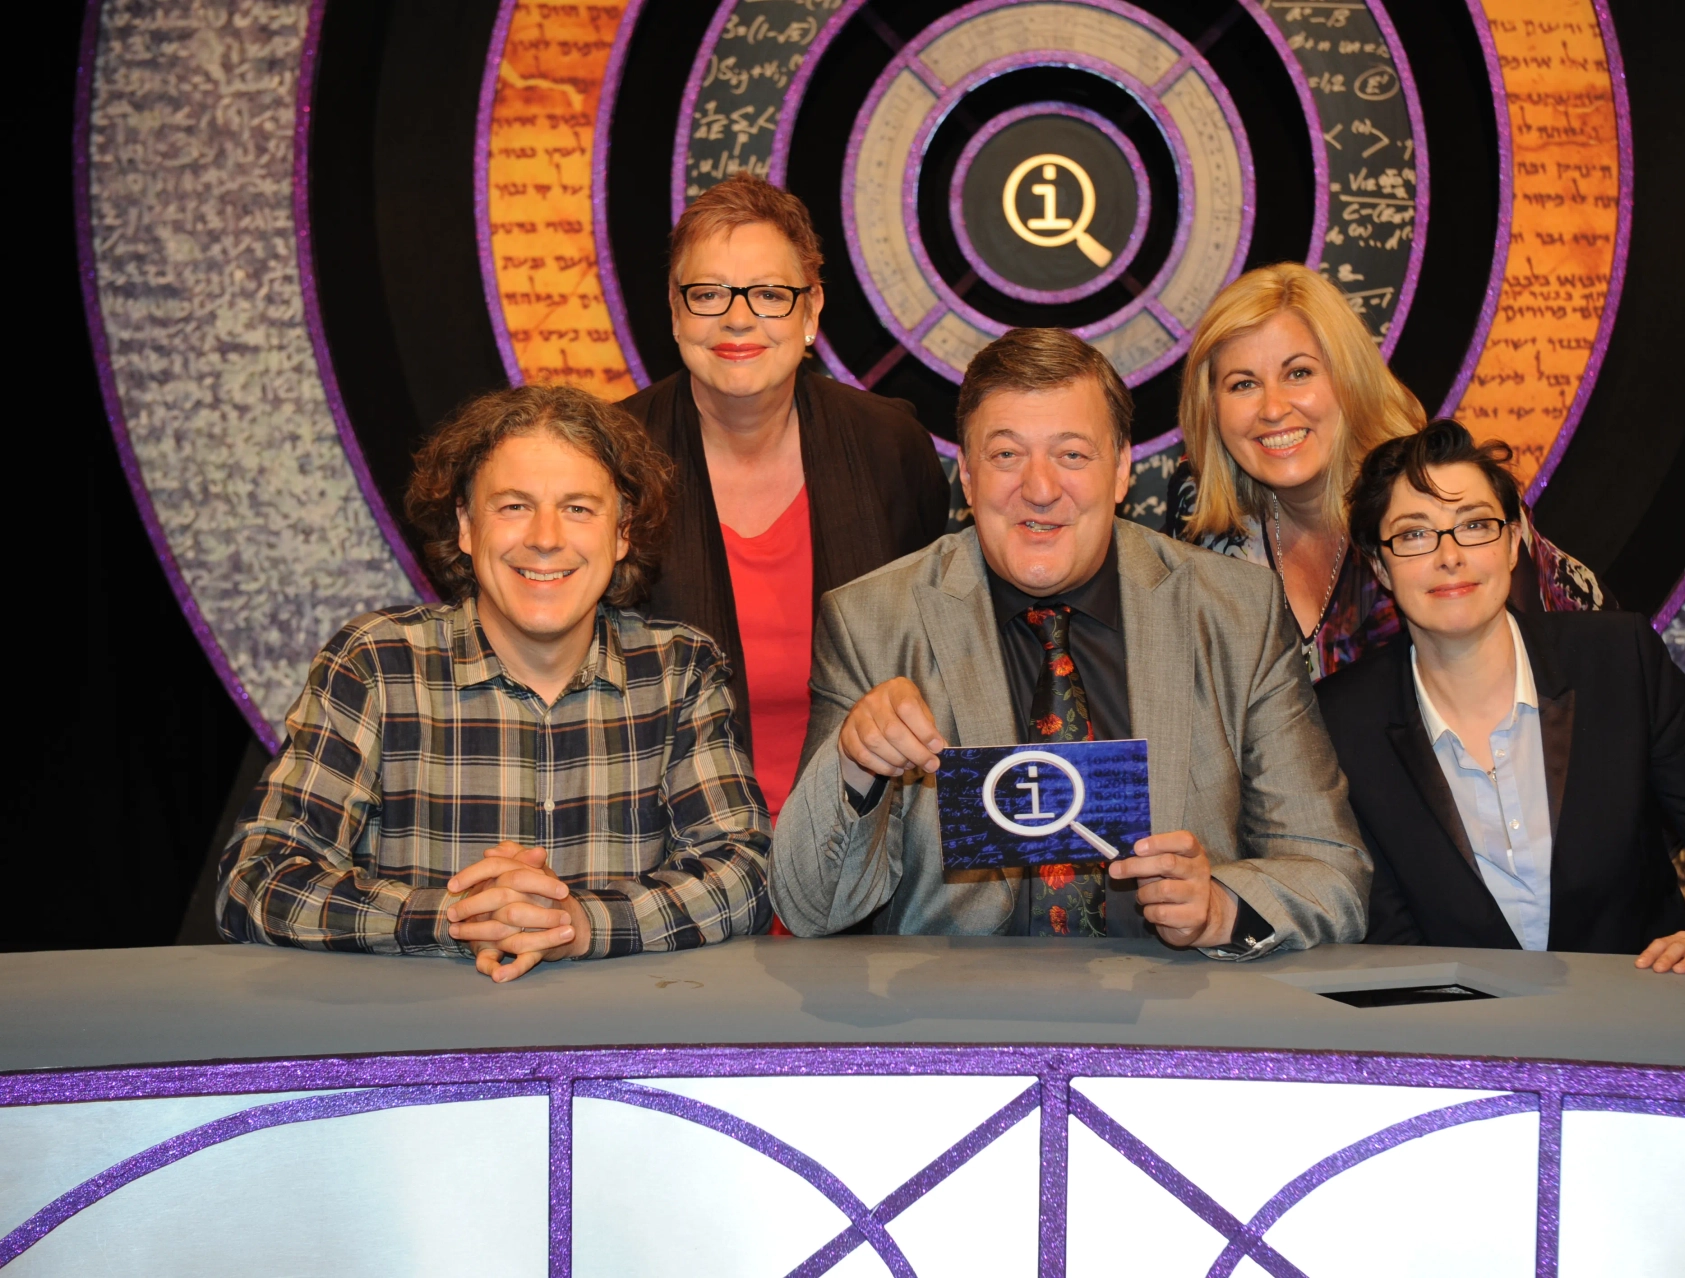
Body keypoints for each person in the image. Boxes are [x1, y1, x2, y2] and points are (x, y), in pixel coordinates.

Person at [770, 328, 1369, 956]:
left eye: (1073, 455)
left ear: (1121, 471)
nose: (1040, 488)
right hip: (957, 1022)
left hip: (1172, 1022)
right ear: (967, 479)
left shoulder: (1235, 612)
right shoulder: (872, 621)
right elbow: (813, 906)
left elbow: (1333, 872)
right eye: (1006, 456)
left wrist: (1221, 905)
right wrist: (857, 764)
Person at [218, 385, 771, 982]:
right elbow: (256, 877)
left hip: (619, 1047)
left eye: (579, 508)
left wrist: (580, 925)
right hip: (422, 1054)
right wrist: (454, 916)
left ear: (621, 533)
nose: (545, 537)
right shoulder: (375, 665)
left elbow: (745, 873)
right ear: (464, 523)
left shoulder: (680, 671)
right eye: (513, 506)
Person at [1315, 421, 1685, 970]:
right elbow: (1384, 936)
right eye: (1415, 534)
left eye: (1475, 525)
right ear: (1379, 564)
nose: (1449, 556)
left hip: (1641, 1020)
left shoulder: (1619, 660)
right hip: (1458, 1040)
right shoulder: (1341, 722)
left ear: (1514, 541)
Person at [617, 173, 949, 821]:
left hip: (865, 849)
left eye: (770, 294)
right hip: (663, 851)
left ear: (811, 310)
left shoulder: (890, 448)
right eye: (708, 294)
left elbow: (940, 647)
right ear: (676, 310)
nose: (738, 318)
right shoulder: (607, 460)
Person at [1165, 262, 1610, 683]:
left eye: (1299, 373)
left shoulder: (1438, 493)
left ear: (1350, 379)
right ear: (1211, 407)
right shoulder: (1199, 510)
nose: (1274, 408)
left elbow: (1557, 691)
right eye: (1243, 384)